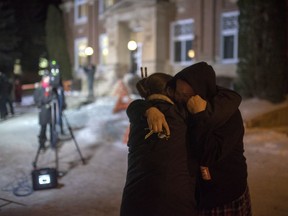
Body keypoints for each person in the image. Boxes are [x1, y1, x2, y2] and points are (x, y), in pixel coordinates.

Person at [146, 62, 252, 215]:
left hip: (224, 194)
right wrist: (148, 110)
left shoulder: (229, 115)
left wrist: (199, 116)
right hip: (196, 195)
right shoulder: (181, 104)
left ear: (201, 94)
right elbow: (155, 100)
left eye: (185, 95)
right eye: (177, 92)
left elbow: (208, 155)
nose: (178, 98)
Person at [120, 73, 197, 216]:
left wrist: (145, 108)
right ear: (170, 91)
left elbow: (133, 106)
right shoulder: (183, 116)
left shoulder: (138, 118)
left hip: (134, 202)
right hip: (176, 204)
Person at [33, 71, 53, 150]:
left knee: (52, 128)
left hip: (51, 111)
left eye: (48, 77)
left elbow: (54, 97)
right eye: (46, 78)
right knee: (43, 128)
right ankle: (42, 144)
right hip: (43, 111)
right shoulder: (39, 88)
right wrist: (43, 100)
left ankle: (53, 142)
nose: (47, 79)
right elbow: (36, 99)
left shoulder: (51, 88)